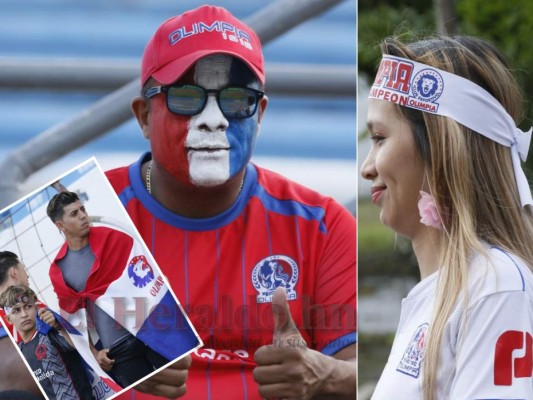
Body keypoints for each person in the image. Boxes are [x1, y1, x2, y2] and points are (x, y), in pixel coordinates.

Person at [105, 4, 357, 400]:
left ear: (260, 115)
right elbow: (10, 371)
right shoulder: (80, 210)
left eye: (237, 99)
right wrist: (95, 361)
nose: (214, 119)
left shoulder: (322, 226)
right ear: (143, 117)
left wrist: (326, 377)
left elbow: (369, 375)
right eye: (186, 97)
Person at [361, 35, 533, 400]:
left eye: (379, 138)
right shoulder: (449, 291)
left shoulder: (496, 287)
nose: (367, 167)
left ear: (439, 149)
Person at [46, 191, 180, 389]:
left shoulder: (113, 238)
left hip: (154, 332)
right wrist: (94, 352)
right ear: (60, 225)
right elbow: (73, 319)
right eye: (74, 214)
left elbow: (152, 280)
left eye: (82, 209)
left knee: (184, 383)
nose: (83, 215)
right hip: (118, 351)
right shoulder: (59, 269)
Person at [0, 285, 94, 399]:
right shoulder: (19, 352)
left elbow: (80, 346)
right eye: (16, 310)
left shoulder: (52, 332)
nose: (24, 314)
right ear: (8, 319)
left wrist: (59, 326)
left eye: (28, 306)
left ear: (36, 308)